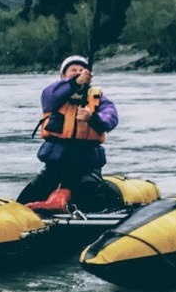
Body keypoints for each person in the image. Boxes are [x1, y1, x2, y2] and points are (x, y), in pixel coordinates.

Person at [17, 55, 122, 211]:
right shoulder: (52, 95)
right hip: (55, 166)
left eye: (81, 70)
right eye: (73, 70)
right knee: (28, 195)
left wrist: (91, 118)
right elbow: (52, 95)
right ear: (63, 76)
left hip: (86, 166)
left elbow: (111, 119)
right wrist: (75, 83)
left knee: (92, 195)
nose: (78, 72)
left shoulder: (99, 99)